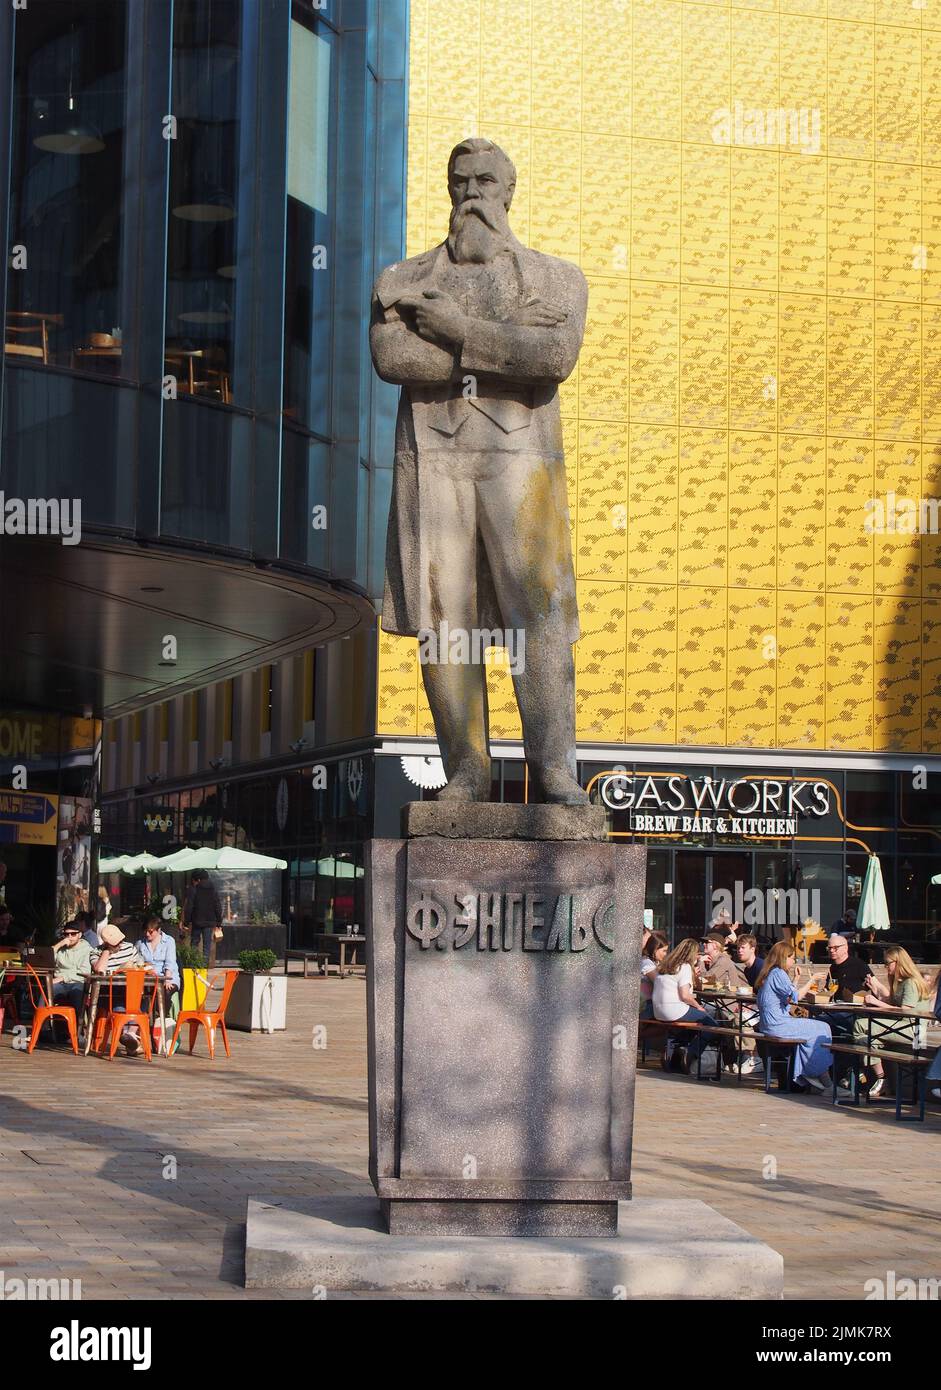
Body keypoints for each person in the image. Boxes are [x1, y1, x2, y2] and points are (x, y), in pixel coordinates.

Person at [755, 941, 849, 1096]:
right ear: (784, 958)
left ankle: (812, 1072)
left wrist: (797, 978)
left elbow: (787, 996)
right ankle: (818, 1075)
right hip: (777, 1024)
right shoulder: (778, 973)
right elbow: (796, 996)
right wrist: (811, 980)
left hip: (770, 1024)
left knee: (815, 1029)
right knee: (822, 1028)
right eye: (792, 958)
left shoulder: (770, 973)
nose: (793, 962)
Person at [856, 946, 933, 1097]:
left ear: (898, 962)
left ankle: (870, 1073)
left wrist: (877, 1003)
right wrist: (876, 991)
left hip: (915, 1030)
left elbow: (904, 1010)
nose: (885, 966)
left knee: (862, 1025)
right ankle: (876, 1075)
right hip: (901, 1025)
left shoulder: (911, 982)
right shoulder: (900, 981)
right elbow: (892, 1003)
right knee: (865, 1033)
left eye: (887, 963)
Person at [653, 937, 719, 1069]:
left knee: (693, 1024)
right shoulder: (685, 967)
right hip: (673, 1009)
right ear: (692, 954)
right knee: (712, 1024)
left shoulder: (666, 965)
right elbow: (685, 996)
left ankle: (677, 1045)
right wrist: (699, 1007)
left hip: (658, 1011)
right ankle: (691, 1052)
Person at [90, 924, 149, 1056]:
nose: (121, 944)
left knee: (143, 996)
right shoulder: (96, 952)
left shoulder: (129, 947)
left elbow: (141, 964)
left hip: (132, 990)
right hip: (110, 994)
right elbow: (99, 969)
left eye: (121, 940)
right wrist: (106, 952)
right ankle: (131, 1039)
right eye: (116, 943)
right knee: (120, 997)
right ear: (106, 943)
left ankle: (130, 1034)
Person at [51, 921, 93, 1015]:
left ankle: (77, 1027)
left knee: (77, 994)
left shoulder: (87, 950)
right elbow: (46, 960)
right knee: (47, 991)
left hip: (77, 982)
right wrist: (59, 945)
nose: (69, 937)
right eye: (66, 934)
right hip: (59, 983)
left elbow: (84, 972)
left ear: (80, 935)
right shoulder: (61, 948)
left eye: (73, 934)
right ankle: (44, 1027)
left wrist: (62, 978)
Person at [181, 870, 222, 960]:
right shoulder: (213, 890)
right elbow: (218, 906)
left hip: (197, 921)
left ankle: (194, 966)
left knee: (194, 944)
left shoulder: (194, 889)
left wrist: (186, 922)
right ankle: (204, 968)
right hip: (209, 922)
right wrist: (219, 922)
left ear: (198, 879)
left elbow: (189, 907)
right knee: (206, 947)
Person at [639, 931, 668, 1020]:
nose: (665, 954)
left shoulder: (652, 963)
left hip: (650, 1003)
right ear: (655, 949)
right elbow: (659, 981)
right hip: (646, 1005)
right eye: (664, 951)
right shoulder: (646, 963)